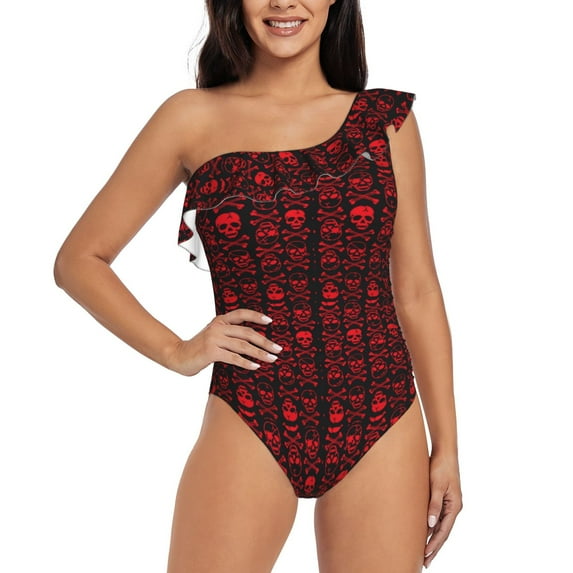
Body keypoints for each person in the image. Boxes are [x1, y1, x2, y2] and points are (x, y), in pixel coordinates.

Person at [54, 0, 462, 571]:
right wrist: (177, 350)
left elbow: (416, 290)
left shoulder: (384, 122)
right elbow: (79, 260)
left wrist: (447, 447)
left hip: (382, 412)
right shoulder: (190, 117)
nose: (282, 2)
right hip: (252, 408)